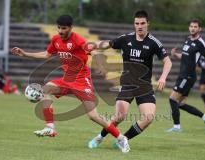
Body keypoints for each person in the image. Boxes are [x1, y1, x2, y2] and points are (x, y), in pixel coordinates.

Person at [11, 15, 130, 153]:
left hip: (81, 82)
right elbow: (46, 54)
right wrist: (25, 54)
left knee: (93, 116)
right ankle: (50, 127)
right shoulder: (56, 40)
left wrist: (101, 66)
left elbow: (95, 50)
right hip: (66, 80)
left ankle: (121, 138)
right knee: (45, 90)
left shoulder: (78, 40)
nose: (60, 31)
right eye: (59, 28)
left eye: (64, 28)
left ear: (71, 28)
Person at [88, 10, 172, 149]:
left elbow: (168, 62)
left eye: (142, 23)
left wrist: (163, 78)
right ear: (134, 24)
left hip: (144, 86)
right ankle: (99, 138)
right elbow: (107, 44)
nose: (139, 26)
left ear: (148, 24)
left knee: (149, 117)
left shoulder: (153, 42)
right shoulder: (126, 39)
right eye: (137, 23)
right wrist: (93, 45)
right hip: (127, 84)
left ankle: (123, 139)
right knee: (119, 116)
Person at [168, 19, 205, 132]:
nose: (193, 28)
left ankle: (176, 127)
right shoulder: (188, 39)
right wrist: (175, 54)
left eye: (195, 26)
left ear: (199, 29)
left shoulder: (201, 43)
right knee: (180, 104)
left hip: (187, 76)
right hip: (184, 75)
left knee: (172, 99)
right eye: (191, 26)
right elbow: (185, 56)